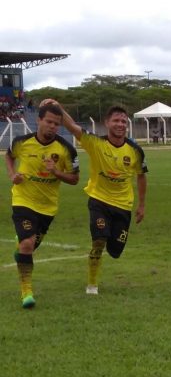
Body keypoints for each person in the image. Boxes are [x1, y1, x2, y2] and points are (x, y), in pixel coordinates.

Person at [40, 99, 147, 295]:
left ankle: (109, 252)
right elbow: (72, 127)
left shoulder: (135, 151)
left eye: (124, 121)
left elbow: (141, 175)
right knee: (99, 240)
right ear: (107, 123)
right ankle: (92, 284)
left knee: (115, 251)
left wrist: (141, 205)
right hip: (99, 201)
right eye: (116, 120)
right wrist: (58, 107)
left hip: (123, 206)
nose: (120, 124)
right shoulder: (95, 143)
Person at [5, 103, 79, 308]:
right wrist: (12, 175)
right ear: (38, 120)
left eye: (56, 124)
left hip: (47, 207)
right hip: (23, 200)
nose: (52, 126)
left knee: (29, 246)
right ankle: (26, 292)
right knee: (27, 244)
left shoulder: (66, 149)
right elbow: (9, 156)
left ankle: (21, 247)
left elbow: (74, 179)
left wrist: (56, 172)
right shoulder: (22, 142)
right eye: (49, 122)